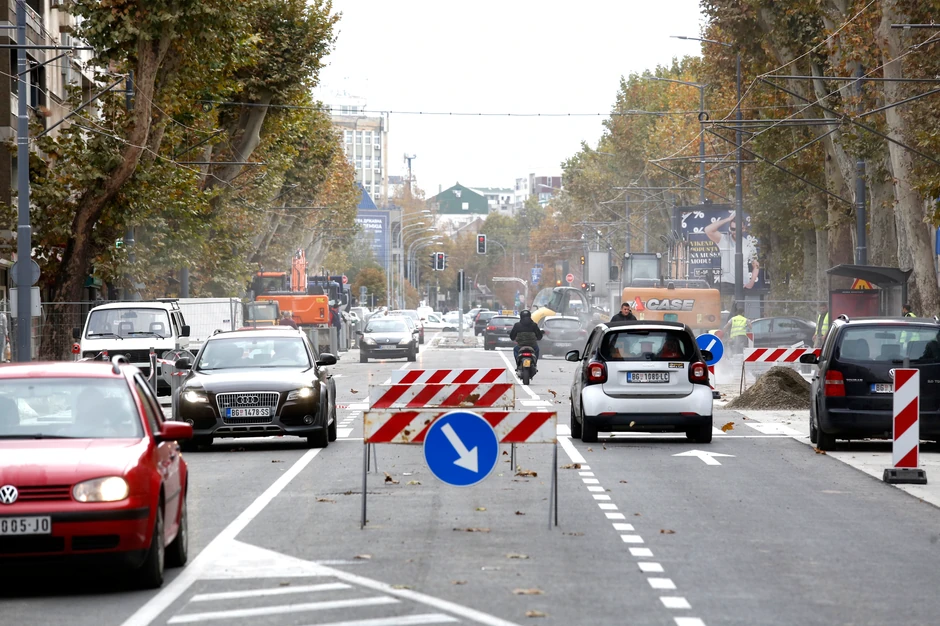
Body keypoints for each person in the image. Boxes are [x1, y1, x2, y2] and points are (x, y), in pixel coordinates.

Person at [704, 211, 760, 290]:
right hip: (726, 283)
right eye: (733, 229)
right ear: (730, 228)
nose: (735, 231)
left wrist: (751, 282)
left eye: (738, 229)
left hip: (743, 284)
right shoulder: (723, 239)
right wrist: (728, 219)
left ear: (744, 229)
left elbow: (756, 265)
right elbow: (708, 230)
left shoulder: (749, 244)